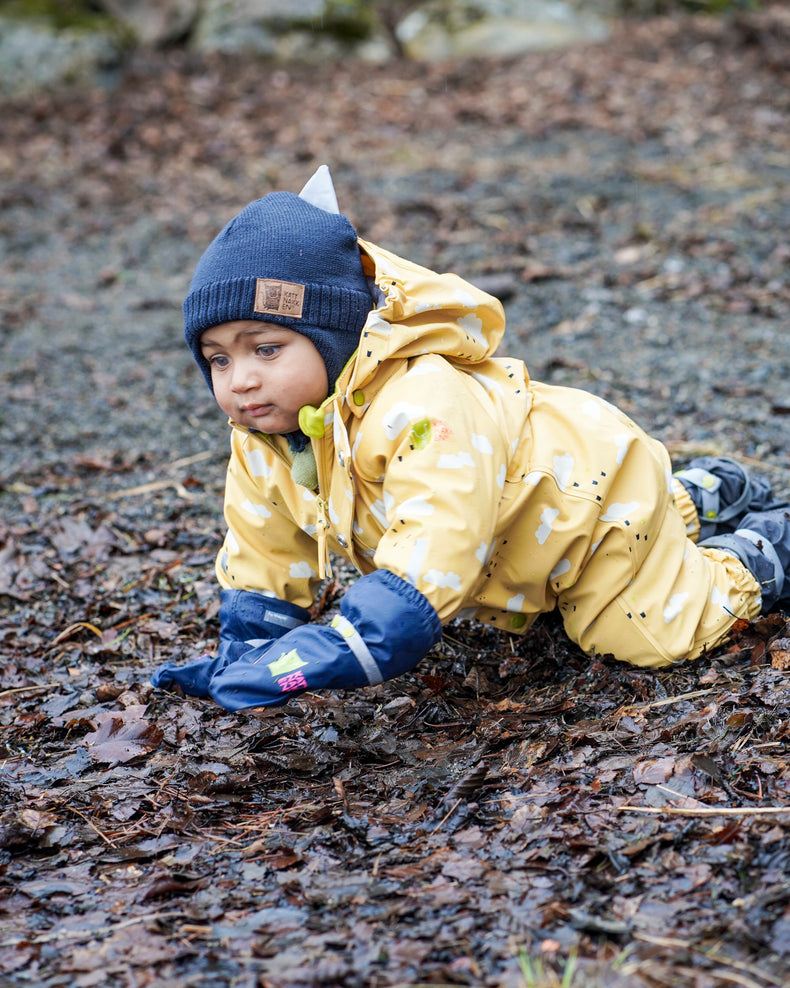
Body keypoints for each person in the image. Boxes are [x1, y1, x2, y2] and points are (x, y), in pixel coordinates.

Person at [151, 166, 790, 711]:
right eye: (219, 360)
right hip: (524, 536)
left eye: (267, 348)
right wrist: (247, 651)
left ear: (335, 337)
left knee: (644, 634)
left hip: (588, 504)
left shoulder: (421, 405)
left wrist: (364, 637)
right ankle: (699, 494)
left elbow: (441, 531)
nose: (242, 381)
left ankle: (762, 550)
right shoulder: (266, 435)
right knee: (554, 603)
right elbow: (264, 539)